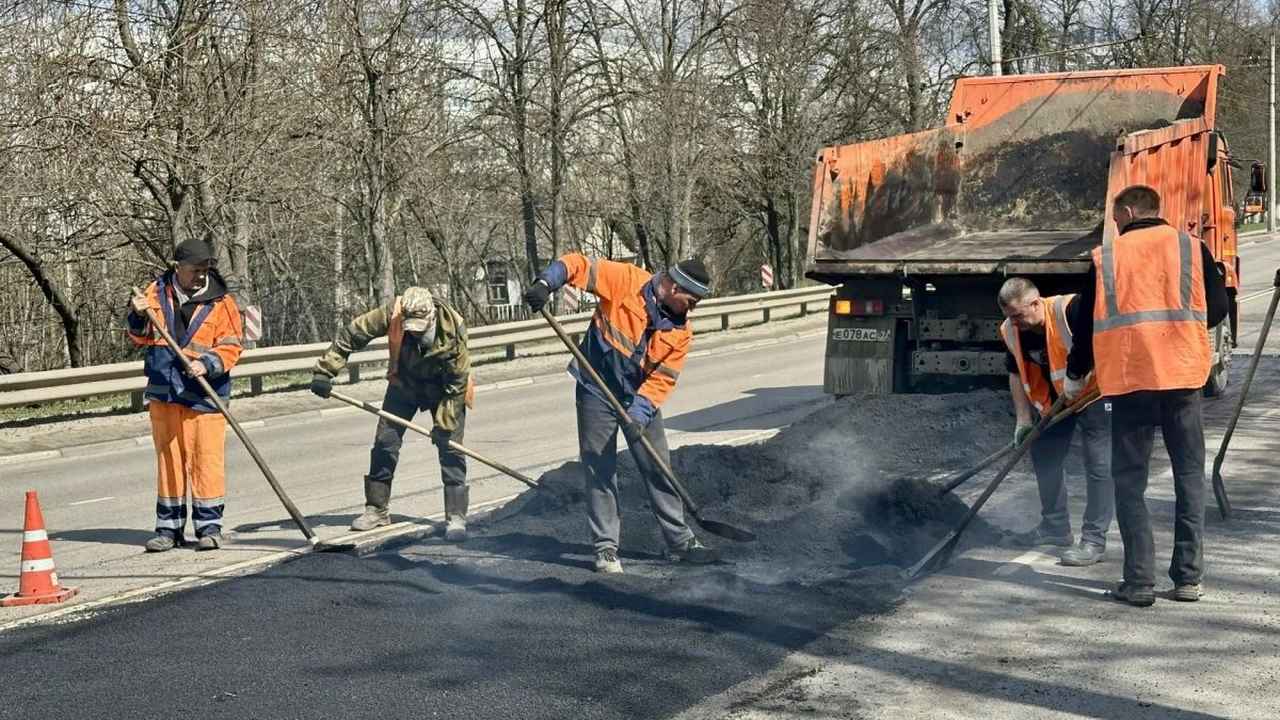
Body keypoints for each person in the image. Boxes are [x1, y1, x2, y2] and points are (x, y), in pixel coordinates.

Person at [1065, 184, 1228, 607]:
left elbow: (1085, 321)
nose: (1115, 227)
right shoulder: (1191, 247)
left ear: (1132, 211)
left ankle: (1138, 582)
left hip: (1132, 379)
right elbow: (1217, 305)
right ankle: (1188, 579)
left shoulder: (1107, 258)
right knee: (1189, 476)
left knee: (1130, 481)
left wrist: (1074, 374)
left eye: (1117, 218)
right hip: (1183, 376)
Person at [523, 254, 719, 574]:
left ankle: (679, 541)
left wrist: (639, 415)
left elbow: (662, 379)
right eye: (691, 300)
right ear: (672, 286)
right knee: (600, 466)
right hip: (595, 389)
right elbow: (577, 264)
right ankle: (606, 548)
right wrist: (547, 283)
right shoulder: (626, 280)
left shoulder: (681, 332)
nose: (693, 308)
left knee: (658, 465)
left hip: (638, 396)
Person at [311, 287, 474, 540]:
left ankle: (456, 516)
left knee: (451, 448)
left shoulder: (453, 327)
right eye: (411, 327)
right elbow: (352, 333)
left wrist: (443, 425)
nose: (414, 333)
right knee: (385, 444)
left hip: (445, 390)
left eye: (420, 328)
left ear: (431, 316)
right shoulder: (393, 313)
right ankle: (377, 509)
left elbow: (457, 384)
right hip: (405, 384)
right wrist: (326, 370)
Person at [126, 239, 244, 552]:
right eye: (196, 270)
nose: (202, 276)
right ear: (178, 267)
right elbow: (139, 337)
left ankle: (209, 528)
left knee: (206, 461)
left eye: (206, 270)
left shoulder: (222, 303)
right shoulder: (153, 294)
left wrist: (207, 364)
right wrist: (137, 315)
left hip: (205, 394)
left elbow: (232, 345)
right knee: (170, 461)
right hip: (164, 392)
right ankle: (169, 529)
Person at [997, 278, 1113, 566]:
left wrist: (1080, 376)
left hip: (1097, 392)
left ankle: (1094, 540)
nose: (1015, 322)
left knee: (1098, 463)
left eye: (1018, 315)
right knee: (1044, 452)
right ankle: (1055, 527)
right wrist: (1023, 420)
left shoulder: (1070, 310)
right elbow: (1015, 373)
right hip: (1056, 400)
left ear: (1036, 303)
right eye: (1009, 316)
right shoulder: (1011, 330)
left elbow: (1104, 344)